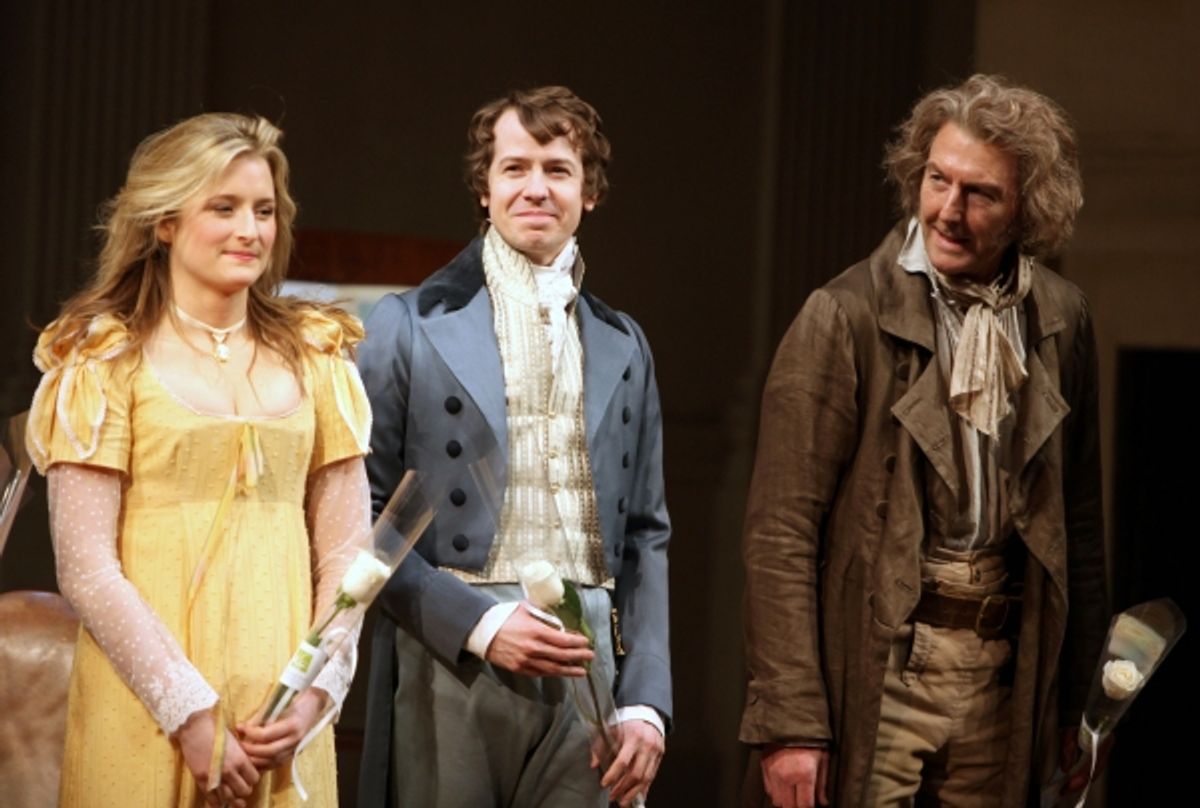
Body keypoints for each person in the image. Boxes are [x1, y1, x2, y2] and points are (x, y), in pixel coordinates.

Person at [740, 74, 1108, 807]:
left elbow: (1079, 529)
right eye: (938, 180)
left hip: (1002, 673)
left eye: (981, 194)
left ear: (1027, 208)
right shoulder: (844, 315)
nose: (949, 210)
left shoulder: (1060, 319)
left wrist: (1078, 706)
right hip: (885, 664)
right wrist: (791, 721)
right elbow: (780, 532)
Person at [26, 113, 372, 807]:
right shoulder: (103, 359)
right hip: (145, 711)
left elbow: (349, 560)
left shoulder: (318, 356)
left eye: (264, 211)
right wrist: (188, 713)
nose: (250, 230)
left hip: (279, 719)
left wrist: (314, 697)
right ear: (165, 222)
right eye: (224, 208)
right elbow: (87, 568)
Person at [357, 85, 671, 808]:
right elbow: (360, 516)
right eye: (515, 168)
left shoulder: (624, 343)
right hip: (451, 647)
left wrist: (647, 697)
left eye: (558, 170)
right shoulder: (407, 324)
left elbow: (647, 535)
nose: (536, 188)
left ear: (589, 192)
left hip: (589, 657)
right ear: (484, 187)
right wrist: (481, 623)